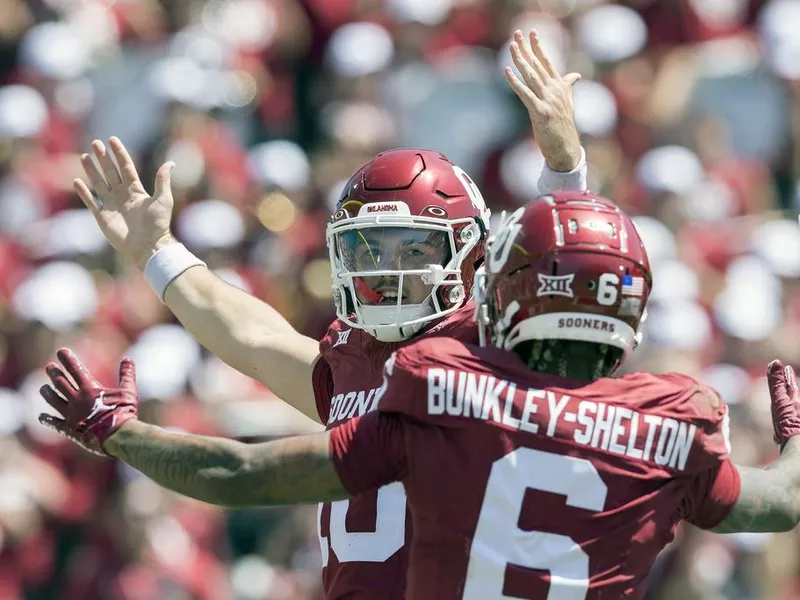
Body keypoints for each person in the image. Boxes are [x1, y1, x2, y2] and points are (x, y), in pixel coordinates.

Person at [41, 190, 800, 599]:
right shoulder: (674, 422)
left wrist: (120, 434)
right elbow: (783, 502)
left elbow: (238, 475)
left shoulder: (444, 387)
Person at [70, 30, 587, 598]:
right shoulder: (352, 358)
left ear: (471, 252)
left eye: (412, 249)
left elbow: (572, 278)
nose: (387, 271)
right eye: (370, 249)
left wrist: (564, 171)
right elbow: (256, 339)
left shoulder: (492, 345)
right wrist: (156, 252)